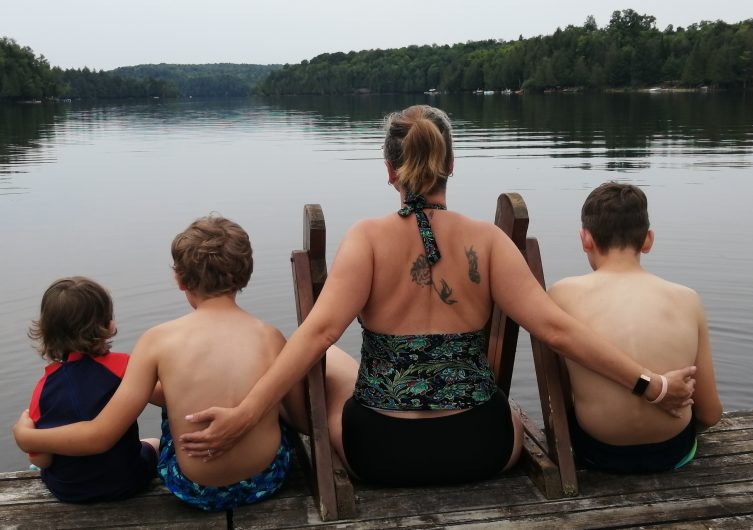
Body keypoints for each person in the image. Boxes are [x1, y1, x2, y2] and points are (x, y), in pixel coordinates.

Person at [174, 105, 696, 487]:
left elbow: (319, 332)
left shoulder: (367, 239)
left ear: (388, 169)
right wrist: (649, 385)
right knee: (494, 399)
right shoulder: (487, 241)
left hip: (379, 453)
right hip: (482, 448)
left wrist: (246, 412)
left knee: (328, 354)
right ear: (451, 163)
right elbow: (556, 329)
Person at [14, 216, 306, 511]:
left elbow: (101, 435)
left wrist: (28, 437)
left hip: (194, 488)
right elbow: (301, 419)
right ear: (246, 275)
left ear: (179, 279)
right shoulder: (271, 336)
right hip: (266, 480)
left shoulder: (157, 341)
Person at [549, 182, 722, 473]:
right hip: (672, 451)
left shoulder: (561, 294)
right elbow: (710, 413)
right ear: (648, 240)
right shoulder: (687, 298)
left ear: (585, 239)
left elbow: (563, 399)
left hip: (597, 452)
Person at [23, 276, 159, 503]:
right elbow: (163, 395)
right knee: (154, 442)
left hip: (69, 492)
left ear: (47, 332)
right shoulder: (123, 366)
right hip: (127, 483)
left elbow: (42, 460)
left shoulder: (42, 388)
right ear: (108, 326)